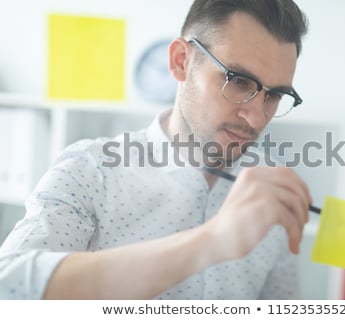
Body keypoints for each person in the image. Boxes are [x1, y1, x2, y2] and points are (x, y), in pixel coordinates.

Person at [0, 0, 310, 299]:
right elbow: (9, 287)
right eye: (238, 80)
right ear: (181, 62)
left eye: (276, 95)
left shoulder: (271, 191)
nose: (256, 117)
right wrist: (210, 242)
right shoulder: (90, 171)